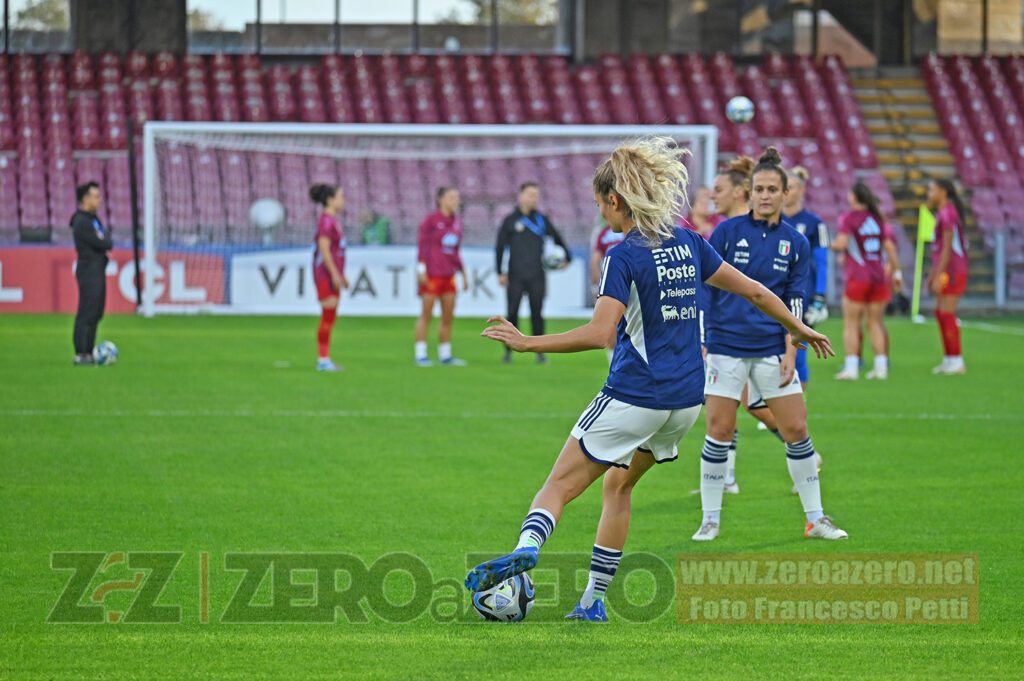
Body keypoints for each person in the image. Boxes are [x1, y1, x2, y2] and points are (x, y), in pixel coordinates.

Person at [463, 137, 833, 622]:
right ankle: (592, 604)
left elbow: (600, 334)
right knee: (618, 488)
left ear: (615, 200)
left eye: (601, 205)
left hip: (636, 395)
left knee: (556, 487)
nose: (601, 215)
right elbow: (757, 291)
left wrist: (529, 342)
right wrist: (798, 326)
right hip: (684, 404)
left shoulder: (624, 255)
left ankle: (528, 547)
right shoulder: (690, 242)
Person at [697, 147, 848, 542]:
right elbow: (705, 291)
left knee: (796, 428)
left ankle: (814, 519)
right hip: (725, 347)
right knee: (720, 430)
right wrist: (703, 343)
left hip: (770, 349)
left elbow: (795, 301)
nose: (764, 195)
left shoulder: (796, 243)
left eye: (771, 189)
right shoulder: (727, 232)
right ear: (749, 192)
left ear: (785, 193)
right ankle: (710, 518)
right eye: (758, 189)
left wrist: (790, 351)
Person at [702, 156, 786, 495]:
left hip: (754, 336)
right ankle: (728, 478)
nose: (713, 198)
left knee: (747, 403)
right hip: (728, 333)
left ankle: (803, 449)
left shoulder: (757, 235)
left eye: (719, 190)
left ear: (740, 193)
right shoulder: (723, 233)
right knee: (732, 403)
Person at [831, 182, 901, 380]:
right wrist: (896, 274)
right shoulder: (879, 219)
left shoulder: (849, 218)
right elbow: (890, 249)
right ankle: (881, 368)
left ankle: (851, 368)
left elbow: (842, 243)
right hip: (879, 277)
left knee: (852, 323)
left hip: (858, 277)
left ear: (854, 197)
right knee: (875, 322)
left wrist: (828, 244)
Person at [495, 182, 571, 364]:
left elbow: (558, 238)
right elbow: (500, 246)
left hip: (537, 274)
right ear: (520, 196)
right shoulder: (510, 220)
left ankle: (540, 352)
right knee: (511, 313)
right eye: (530, 195)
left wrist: (567, 257)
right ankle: (508, 351)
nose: (534, 198)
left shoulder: (542, 220)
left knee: (537, 313)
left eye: (536, 195)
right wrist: (500, 271)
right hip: (515, 274)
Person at [783, 166, 831, 387]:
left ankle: (796, 408)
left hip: (801, 294)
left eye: (790, 187)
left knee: (797, 350)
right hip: (773, 291)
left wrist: (820, 297)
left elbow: (822, 262)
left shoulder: (814, 223)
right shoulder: (770, 220)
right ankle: (771, 410)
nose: (785, 191)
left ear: (801, 191)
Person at [415, 186, 468, 367]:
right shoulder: (430, 221)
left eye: (457, 197)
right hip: (431, 275)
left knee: (448, 316)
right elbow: (422, 246)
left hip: (449, 275)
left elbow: (455, 252)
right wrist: (421, 269)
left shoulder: (457, 223)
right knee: (426, 314)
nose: (455, 201)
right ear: (440, 199)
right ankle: (420, 354)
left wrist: (463, 273)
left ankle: (445, 354)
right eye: (451, 197)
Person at [926, 179, 969, 375]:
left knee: (947, 313)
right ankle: (949, 358)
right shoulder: (943, 213)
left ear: (943, 192)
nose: (929, 194)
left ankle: (957, 360)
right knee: (940, 312)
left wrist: (938, 274)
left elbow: (948, 247)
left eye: (932, 190)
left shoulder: (948, 213)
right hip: (945, 270)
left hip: (952, 270)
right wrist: (933, 273)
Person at [71, 182, 111, 365]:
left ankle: (89, 351)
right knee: (86, 311)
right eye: (95, 196)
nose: (99, 199)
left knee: (96, 312)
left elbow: (105, 240)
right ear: (85, 199)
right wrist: (104, 240)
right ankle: (81, 353)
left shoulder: (93, 220)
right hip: (88, 268)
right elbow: (103, 243)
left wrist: (104, 240)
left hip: (98, 268)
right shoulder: (81, 221)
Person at [311, 184, 349, 372]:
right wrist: (334, 274)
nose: (344, 201)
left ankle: (325, 359)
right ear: (330, 200)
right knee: (327, 316)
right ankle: (323, 359)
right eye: (341, 197)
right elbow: (324, 249)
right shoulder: (326, 221)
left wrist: (341, 275)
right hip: (325, 274)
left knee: (330, 316)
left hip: (331, 273)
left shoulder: (332, 221)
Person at [589, 218, 624, 363]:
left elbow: (595, 260)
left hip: (611, 285)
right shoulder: (631, 231)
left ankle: (614, 367)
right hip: (625, 284)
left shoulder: (603, 233)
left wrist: (594, 284)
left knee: (611, 327)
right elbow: (595, 260)